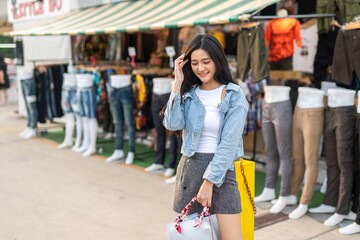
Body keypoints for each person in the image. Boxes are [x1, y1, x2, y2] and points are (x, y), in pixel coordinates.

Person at [163, 34, 248, 240]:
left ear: (217, 60)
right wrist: (177, 83)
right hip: (191, 171)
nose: (200, 68)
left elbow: (229, 143)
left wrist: (209, 181)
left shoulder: (234, 95)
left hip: (222, 173)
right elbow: (172, 124)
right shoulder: (189, 93)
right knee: (193, 236)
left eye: (206, 62)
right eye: (194, 63)